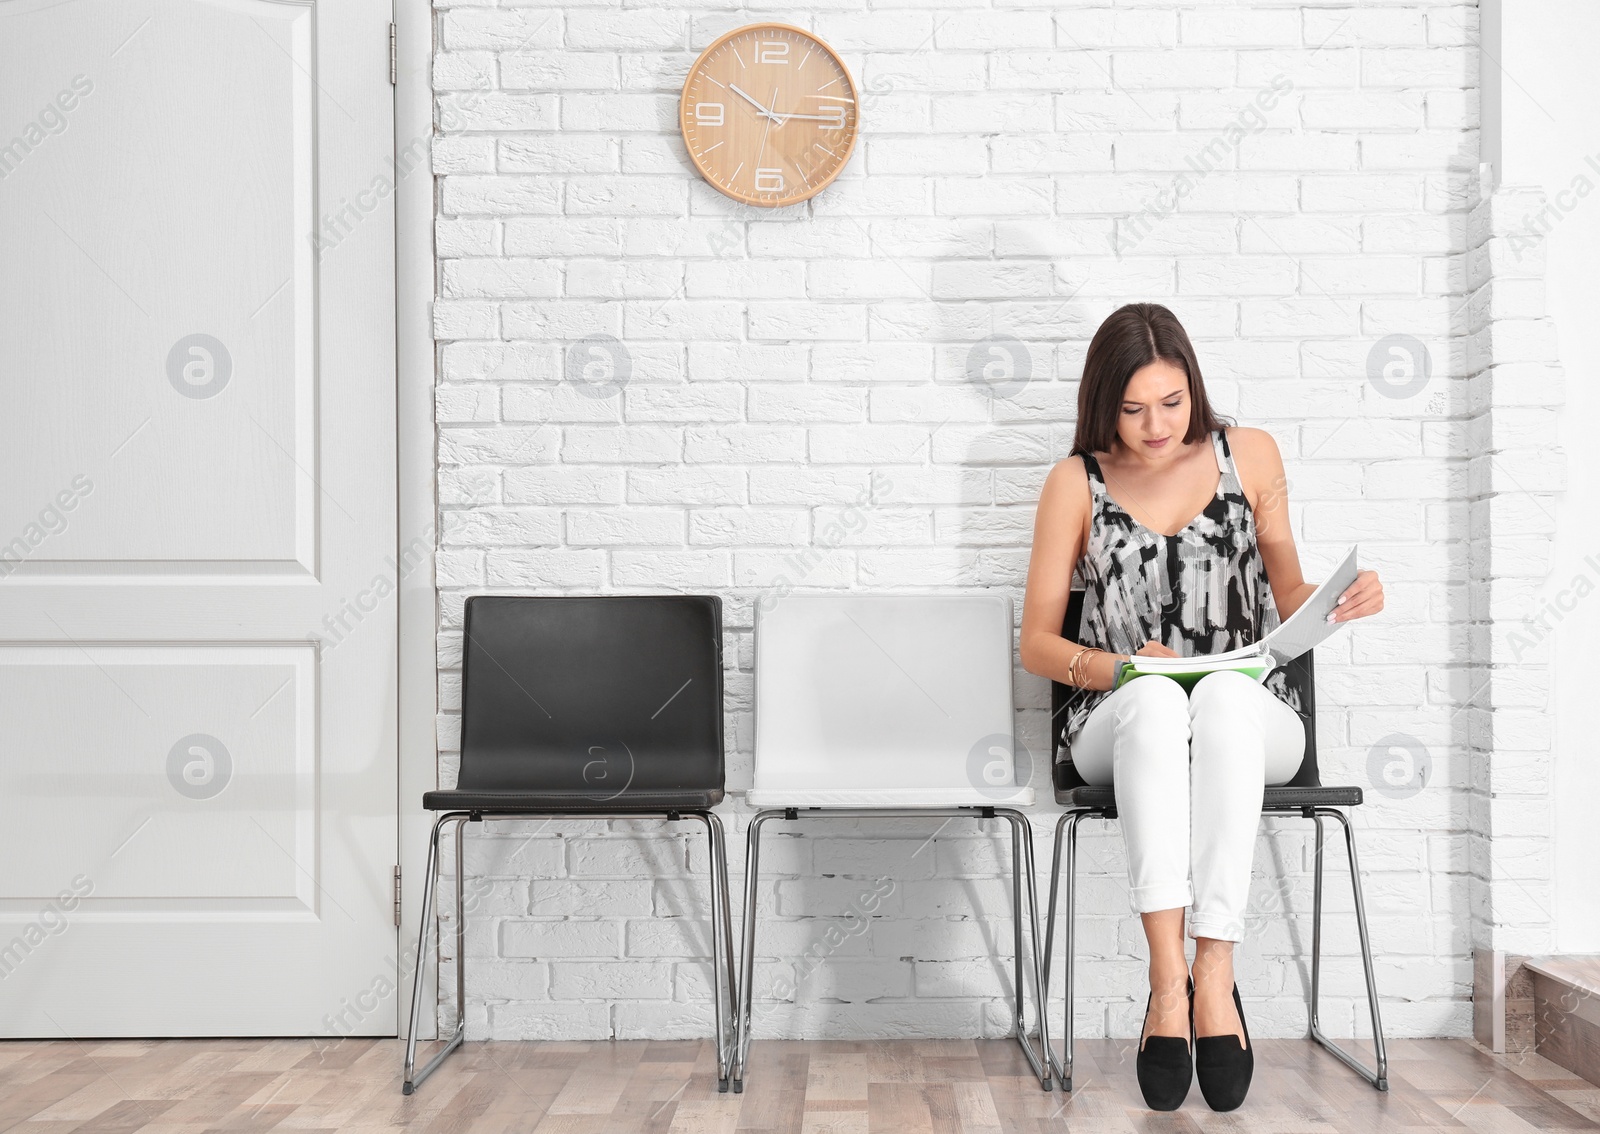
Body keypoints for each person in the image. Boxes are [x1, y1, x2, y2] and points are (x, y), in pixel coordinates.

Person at [1019, 303, 1384, 1112]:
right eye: (1134, 408)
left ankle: (1212, 970)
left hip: (1251, 717)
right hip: (1122, 720)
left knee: (1221, 693)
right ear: (1103, 403)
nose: (1156, 425)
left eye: (1173, 402)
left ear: (1195, 388)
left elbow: (1289, 591)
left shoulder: (1250, 454)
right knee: (1155, 700)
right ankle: (1166, 981)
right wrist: (1118, 668)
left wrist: (1339, 599)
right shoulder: (1072, 482)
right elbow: (1037, 644)